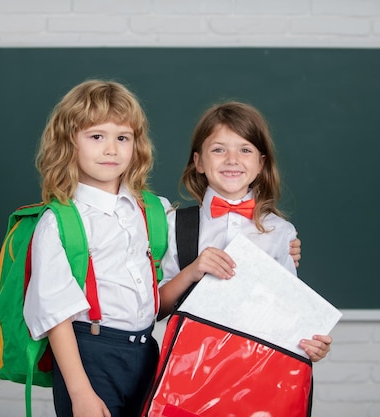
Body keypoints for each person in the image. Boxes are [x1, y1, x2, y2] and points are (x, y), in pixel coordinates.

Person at [23, 79, 169, 417]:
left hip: (148, 354)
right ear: (68, 143)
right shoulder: (59, 221)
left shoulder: (153, 210)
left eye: (122, 138)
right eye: (96, 136)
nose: (111, 149)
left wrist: (279, 242)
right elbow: (57, 316)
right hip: (90, 356)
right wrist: (80, 393)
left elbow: (199, 244)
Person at [158, 101, 331, 362]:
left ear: (261, 163)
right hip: (190, 367)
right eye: (218, 149)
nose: (232, 160)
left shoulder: (280, 232)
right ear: (199, 162)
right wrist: (192, 271)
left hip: (255, 368)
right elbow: (157, 308)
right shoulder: (174, 224)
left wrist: (311, 344)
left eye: (245, 150)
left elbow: (287, 312)